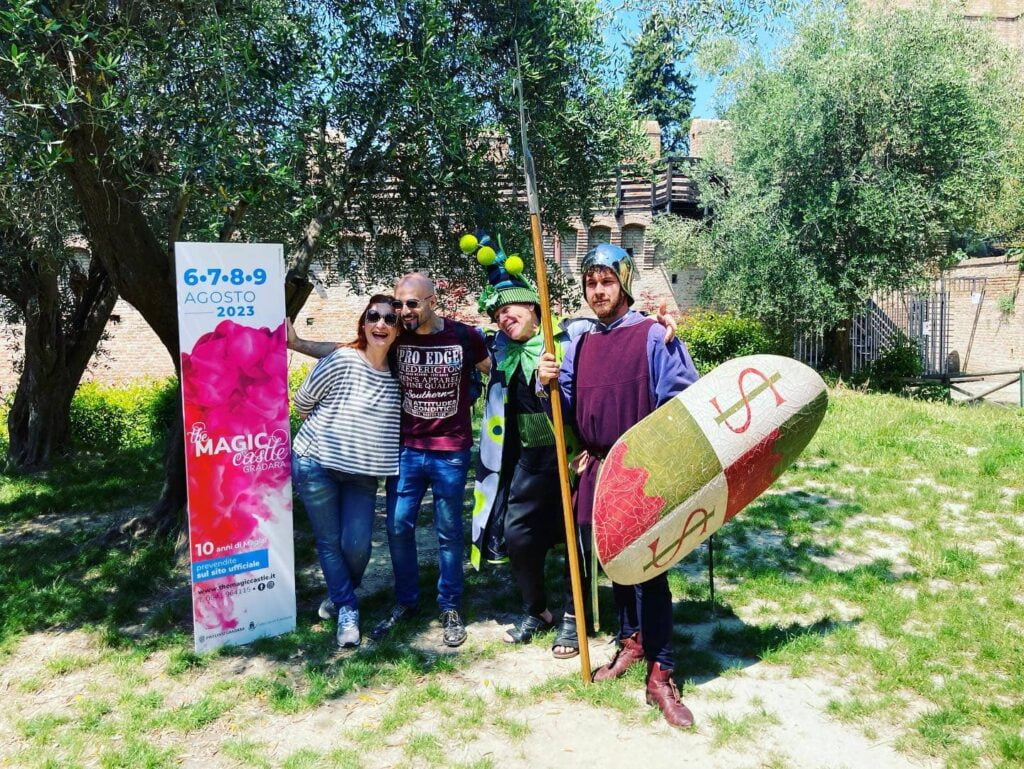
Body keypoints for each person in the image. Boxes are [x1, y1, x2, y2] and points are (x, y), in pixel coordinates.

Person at [538, 243, 700, 728]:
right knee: (615, 563)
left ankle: (661, 672)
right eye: (591, 283)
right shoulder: (581, 343)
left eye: (607, 281)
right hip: (600, 469)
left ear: (623, 282)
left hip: (644, 469)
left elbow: (681, 400)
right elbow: (563, 409)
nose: (598, 290)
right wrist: (545, 379)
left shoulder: (653, 335)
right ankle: (633, 641)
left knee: (650, 571)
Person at [289, 273, 490, 648]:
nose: (402, 312)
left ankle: (449, 605)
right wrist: (298, 343)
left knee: (448, 532)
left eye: (411, 304)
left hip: (451, 449)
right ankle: (406, 600)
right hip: (408, 450)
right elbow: (347, 349)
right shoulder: (397, 337)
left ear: (433, 300)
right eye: (398, 304)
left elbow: (496, 368)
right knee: (398, 528)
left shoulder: (465, 336)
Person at [469, 245, 590, 658]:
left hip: (569, 458)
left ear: (535, 306)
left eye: (512, 307)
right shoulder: (500, 351)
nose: (505, 316)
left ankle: (575, 618)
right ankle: (538, 611)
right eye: (498, 313)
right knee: (518, 535)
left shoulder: (569, 341)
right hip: (523, 459)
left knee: (576, 538)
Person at [291, 295, 402, 648]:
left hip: (362, 474)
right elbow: (302, 402)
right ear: (364, 322)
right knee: (328, 541)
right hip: (316, 463)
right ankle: (347, 608)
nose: (381, 324)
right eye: (374, 316)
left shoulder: (400, 374)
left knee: (356, 546)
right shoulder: (341, 360)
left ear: (399, 330)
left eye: (389, 319)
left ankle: (339, 592)